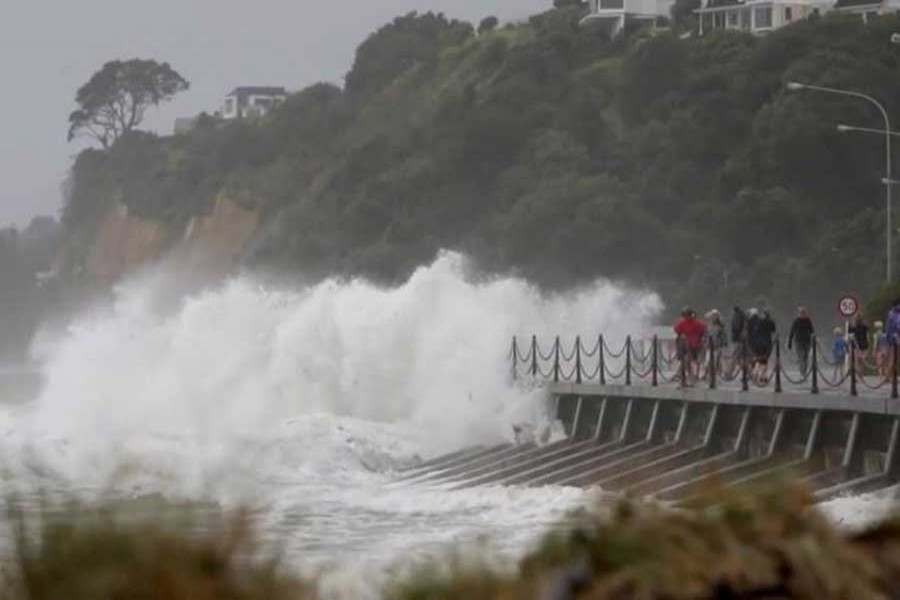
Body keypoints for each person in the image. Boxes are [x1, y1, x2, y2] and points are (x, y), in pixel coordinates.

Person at [674, 308, 707, 386]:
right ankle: (692, 378)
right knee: (693, 361)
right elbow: (704, 329)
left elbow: (676, 329)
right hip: (695, 345)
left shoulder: (684, 323)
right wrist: (702, 337)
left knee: (689, 361)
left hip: (691, 345)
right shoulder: (696, 323)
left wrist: (682, 334)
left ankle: (690, 378)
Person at [787, 307, 814, 375]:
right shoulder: (796, 321)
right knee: (801, 357)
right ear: (799, 313)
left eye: (804, 313)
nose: (803, 314)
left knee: (805, 357)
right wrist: (789, 342)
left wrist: (813, 339)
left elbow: (812, 331)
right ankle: (802, 373)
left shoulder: (808, 320)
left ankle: (804, 371)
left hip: (807, 341)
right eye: (801, 313)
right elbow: (792, 331)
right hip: (798, 342)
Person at [706, 309, 728, 374]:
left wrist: (724, 342)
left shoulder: (719, 325)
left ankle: (721, 372)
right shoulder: (712, 322)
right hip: (713, 345)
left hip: (716, 345)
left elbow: (723, 335)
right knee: (714, 359)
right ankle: (714, 372)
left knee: (718, 359)